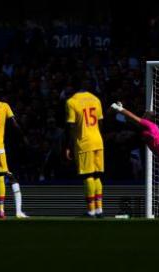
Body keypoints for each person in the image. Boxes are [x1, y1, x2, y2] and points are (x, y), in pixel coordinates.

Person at [65, 80, 105, 217]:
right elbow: (100, 122)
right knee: (97, 176)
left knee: (87, 175)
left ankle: (91, 210)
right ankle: (99, 209)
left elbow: (71, 126)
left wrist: (69, 146)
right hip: (98, 141)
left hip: (84, 142)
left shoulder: (71, 102)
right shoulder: (96, 99)